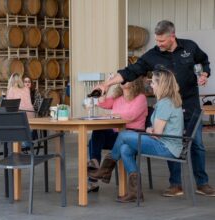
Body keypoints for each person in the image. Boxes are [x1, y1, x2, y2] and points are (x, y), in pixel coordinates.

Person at [91, 20, 215, 196]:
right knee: (171, 139)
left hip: (189, 104)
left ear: (172, 36)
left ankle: (202, 183)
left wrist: (204, 74)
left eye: (162, 41)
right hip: (170, 106)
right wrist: (106, 83)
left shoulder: (190, 47)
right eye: (156, 40)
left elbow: (204, 61)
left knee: (197, 145)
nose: (158, 44)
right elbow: (130, 71)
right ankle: (175, 184)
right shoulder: (152, 55)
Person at [89, 68, 184, 202]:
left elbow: (156, 133)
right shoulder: (167, 101)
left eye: (154, 83)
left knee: (124, 136)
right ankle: (135, 192)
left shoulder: (165, 103)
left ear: (161, 85)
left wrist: (151, 130)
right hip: (166, 143)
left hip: (166, 146)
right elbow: (155, 130)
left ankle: (105, 169)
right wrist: (151, 129)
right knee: (125, 149)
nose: (151, 85)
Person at [88, 77, 148, 192]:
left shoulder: (141, 98)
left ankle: (94, 179)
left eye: (127, 78)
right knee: (98, 131)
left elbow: (130, 116)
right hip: (116, 135)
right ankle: (95, 164)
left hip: (132, 136)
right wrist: (107, 86)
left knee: (93, 142)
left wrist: (112, 115)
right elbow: (102, 103)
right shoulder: (118, 98)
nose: (123, 80)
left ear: (135, 81)